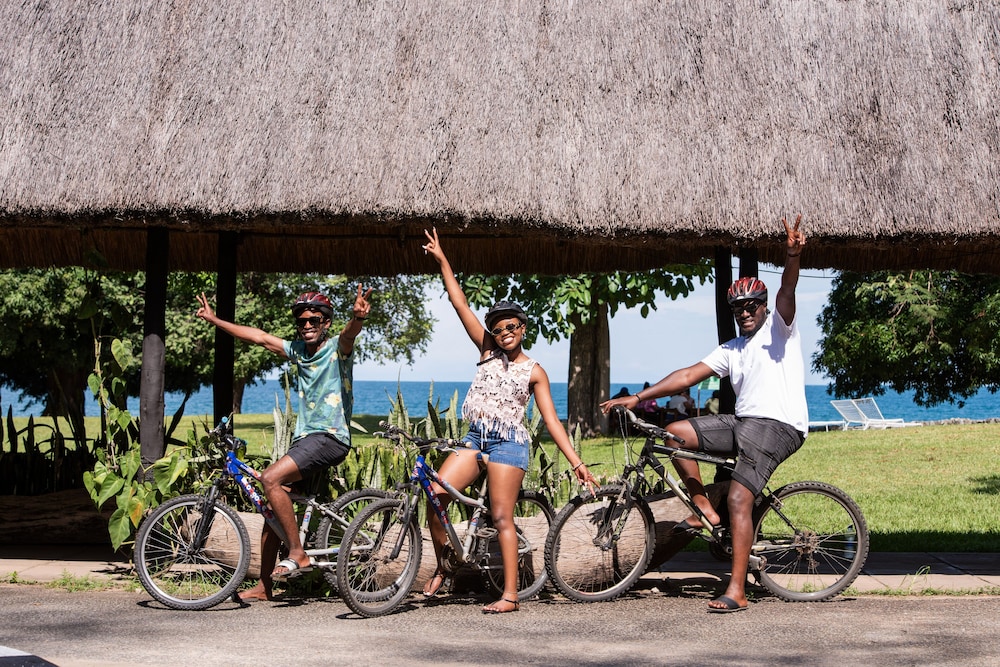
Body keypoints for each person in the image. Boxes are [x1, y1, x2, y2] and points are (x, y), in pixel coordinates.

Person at [601, 215, 808, 614]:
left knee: (739, 498)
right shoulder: (731, 348)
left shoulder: (780, 330)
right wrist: (637, 397)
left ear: (763, 308)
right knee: (674, 434)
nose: (744, 312)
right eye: (738, 308)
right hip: (745, 423)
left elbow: (787, 289)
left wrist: (792, 255)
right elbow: (686, 376)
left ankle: (737, 590)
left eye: (751, 306)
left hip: (778, 426)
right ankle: (702, 510)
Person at [421, 228, 595, 614]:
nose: (503, 334)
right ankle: (446, 565)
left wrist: (577, 463)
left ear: (523, 328)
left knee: (502, 517)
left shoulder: (535, 371)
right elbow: (458, 302)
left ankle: (511, 595)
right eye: (497, 329)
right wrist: (442, 259)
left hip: (508, 444)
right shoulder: (485, 351)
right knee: (435, 497)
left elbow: (551, 422)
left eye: (510, 327)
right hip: (475, 437)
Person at [195, 284, 372, 602]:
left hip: (329, 437)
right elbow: (258, 336)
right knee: (273, 510)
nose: (306, 325)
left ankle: (298, 553)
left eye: (313, 320)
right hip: (305, 441)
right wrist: (214, 319)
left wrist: (357, 318)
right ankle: (265, 585)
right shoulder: (297, 352)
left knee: (270, 479)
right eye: (302, 321)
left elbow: (349, 335)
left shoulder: (336, 350)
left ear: (325, 322)